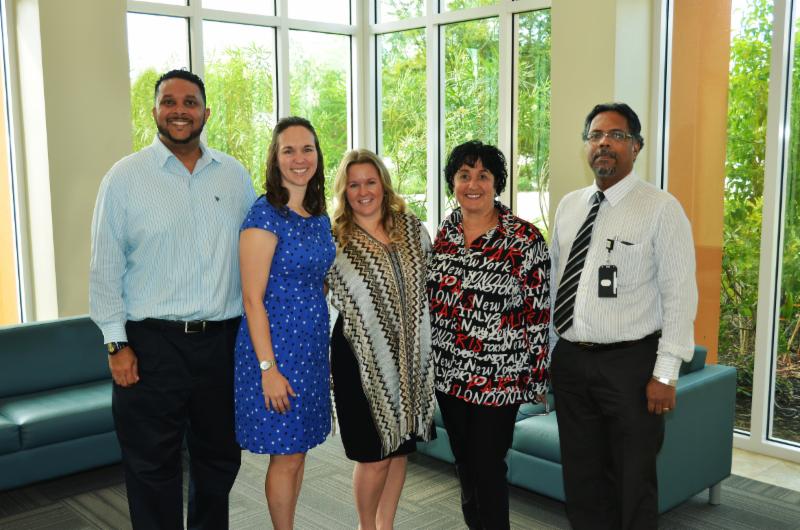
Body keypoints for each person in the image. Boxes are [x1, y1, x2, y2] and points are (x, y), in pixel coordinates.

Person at [89, 69, 256, 529]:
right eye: (169, 101)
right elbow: (104, 269)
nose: (179, 110)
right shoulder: (123, 179)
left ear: (205, 111)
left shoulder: (235, 176)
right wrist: (115, 344)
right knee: (151, 466)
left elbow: (259, 249)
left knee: (218, 459)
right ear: (155, 111)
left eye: (189, 102)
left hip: (222, 343)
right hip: (150, 345)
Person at [549, 102, 698, 530]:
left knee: (633, 482)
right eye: (595, 136)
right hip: (573, 362)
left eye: (615, 136)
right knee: (581, 478)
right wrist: (551, 354)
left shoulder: (660, 208)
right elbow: (557, 283)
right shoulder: (570, 206)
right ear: (587, 147)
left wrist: (666, 374)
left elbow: (681, 295)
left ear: (636, 146)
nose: (603, 144)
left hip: (630, 366)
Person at [427, 141, 550, 530]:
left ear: (497, 183)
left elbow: (538, 314)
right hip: (448, 374)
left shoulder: (524, 240)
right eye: (464, 175)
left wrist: (538, 375)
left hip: (499, 378)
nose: (473, 183)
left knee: (487, 466)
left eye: (483, 175)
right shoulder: (444, 234)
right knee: (464, 464)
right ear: (453, 183)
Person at [234, 116, 335, 530]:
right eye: (288, 150)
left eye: (307, 149)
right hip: (275, 351)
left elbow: (319, 284)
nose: (299, 158)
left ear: (317, 156)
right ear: (275, 159)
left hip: (309, 349)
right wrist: (268, 369)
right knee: (285, 453)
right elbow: (252, 301)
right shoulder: (265, 216)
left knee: (299, 450)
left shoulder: (318, 214)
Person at [327, 149, 436, 530]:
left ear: (383, 185)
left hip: (408, 358)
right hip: (358, 358)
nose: (363, 191)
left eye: (370, 182)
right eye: (354, 184)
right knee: (372, 456)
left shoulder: (410, 228)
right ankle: (366, 526)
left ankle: (385, 525)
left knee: (398, 449)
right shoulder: (334, 239)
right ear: (345, 190)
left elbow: (431, 285)